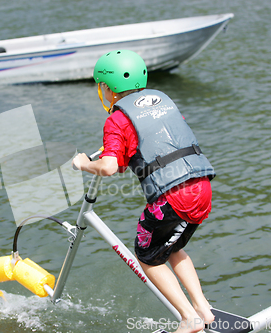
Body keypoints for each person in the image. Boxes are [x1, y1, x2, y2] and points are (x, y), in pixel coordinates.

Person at [72, 50, 216, 333]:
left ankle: (189, 318)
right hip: (201, 187)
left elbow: (111, 167)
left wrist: (84, 163)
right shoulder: (162, 100)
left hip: (173, 197)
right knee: (173, 248)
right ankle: (203, 307)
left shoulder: (116, 120)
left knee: (147, 255)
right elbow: (155, 139)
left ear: (108, 88)